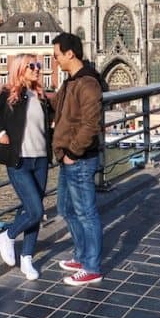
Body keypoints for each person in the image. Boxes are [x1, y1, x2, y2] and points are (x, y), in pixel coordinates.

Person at [0, 54, 52, 280]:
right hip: (19, 161)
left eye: (38, 65)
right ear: (19, 69)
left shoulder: (41, 96)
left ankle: (27, 259)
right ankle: (7, 235)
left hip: (41, 160)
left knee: (30, 211)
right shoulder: (7, 94)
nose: (38, 69)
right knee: (36, 210)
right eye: (32, 66)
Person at [51, 32, 104, 286]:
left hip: (79, 158)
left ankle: (92, 267)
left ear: (70, 53)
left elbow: (90, 124)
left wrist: (73, 152)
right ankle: (82, 256)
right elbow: (59, 108)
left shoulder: (88, 83)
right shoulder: (70, 81)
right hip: (67, 157)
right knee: (66, 209)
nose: (56, 60)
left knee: (85, 213)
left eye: (57, 55)